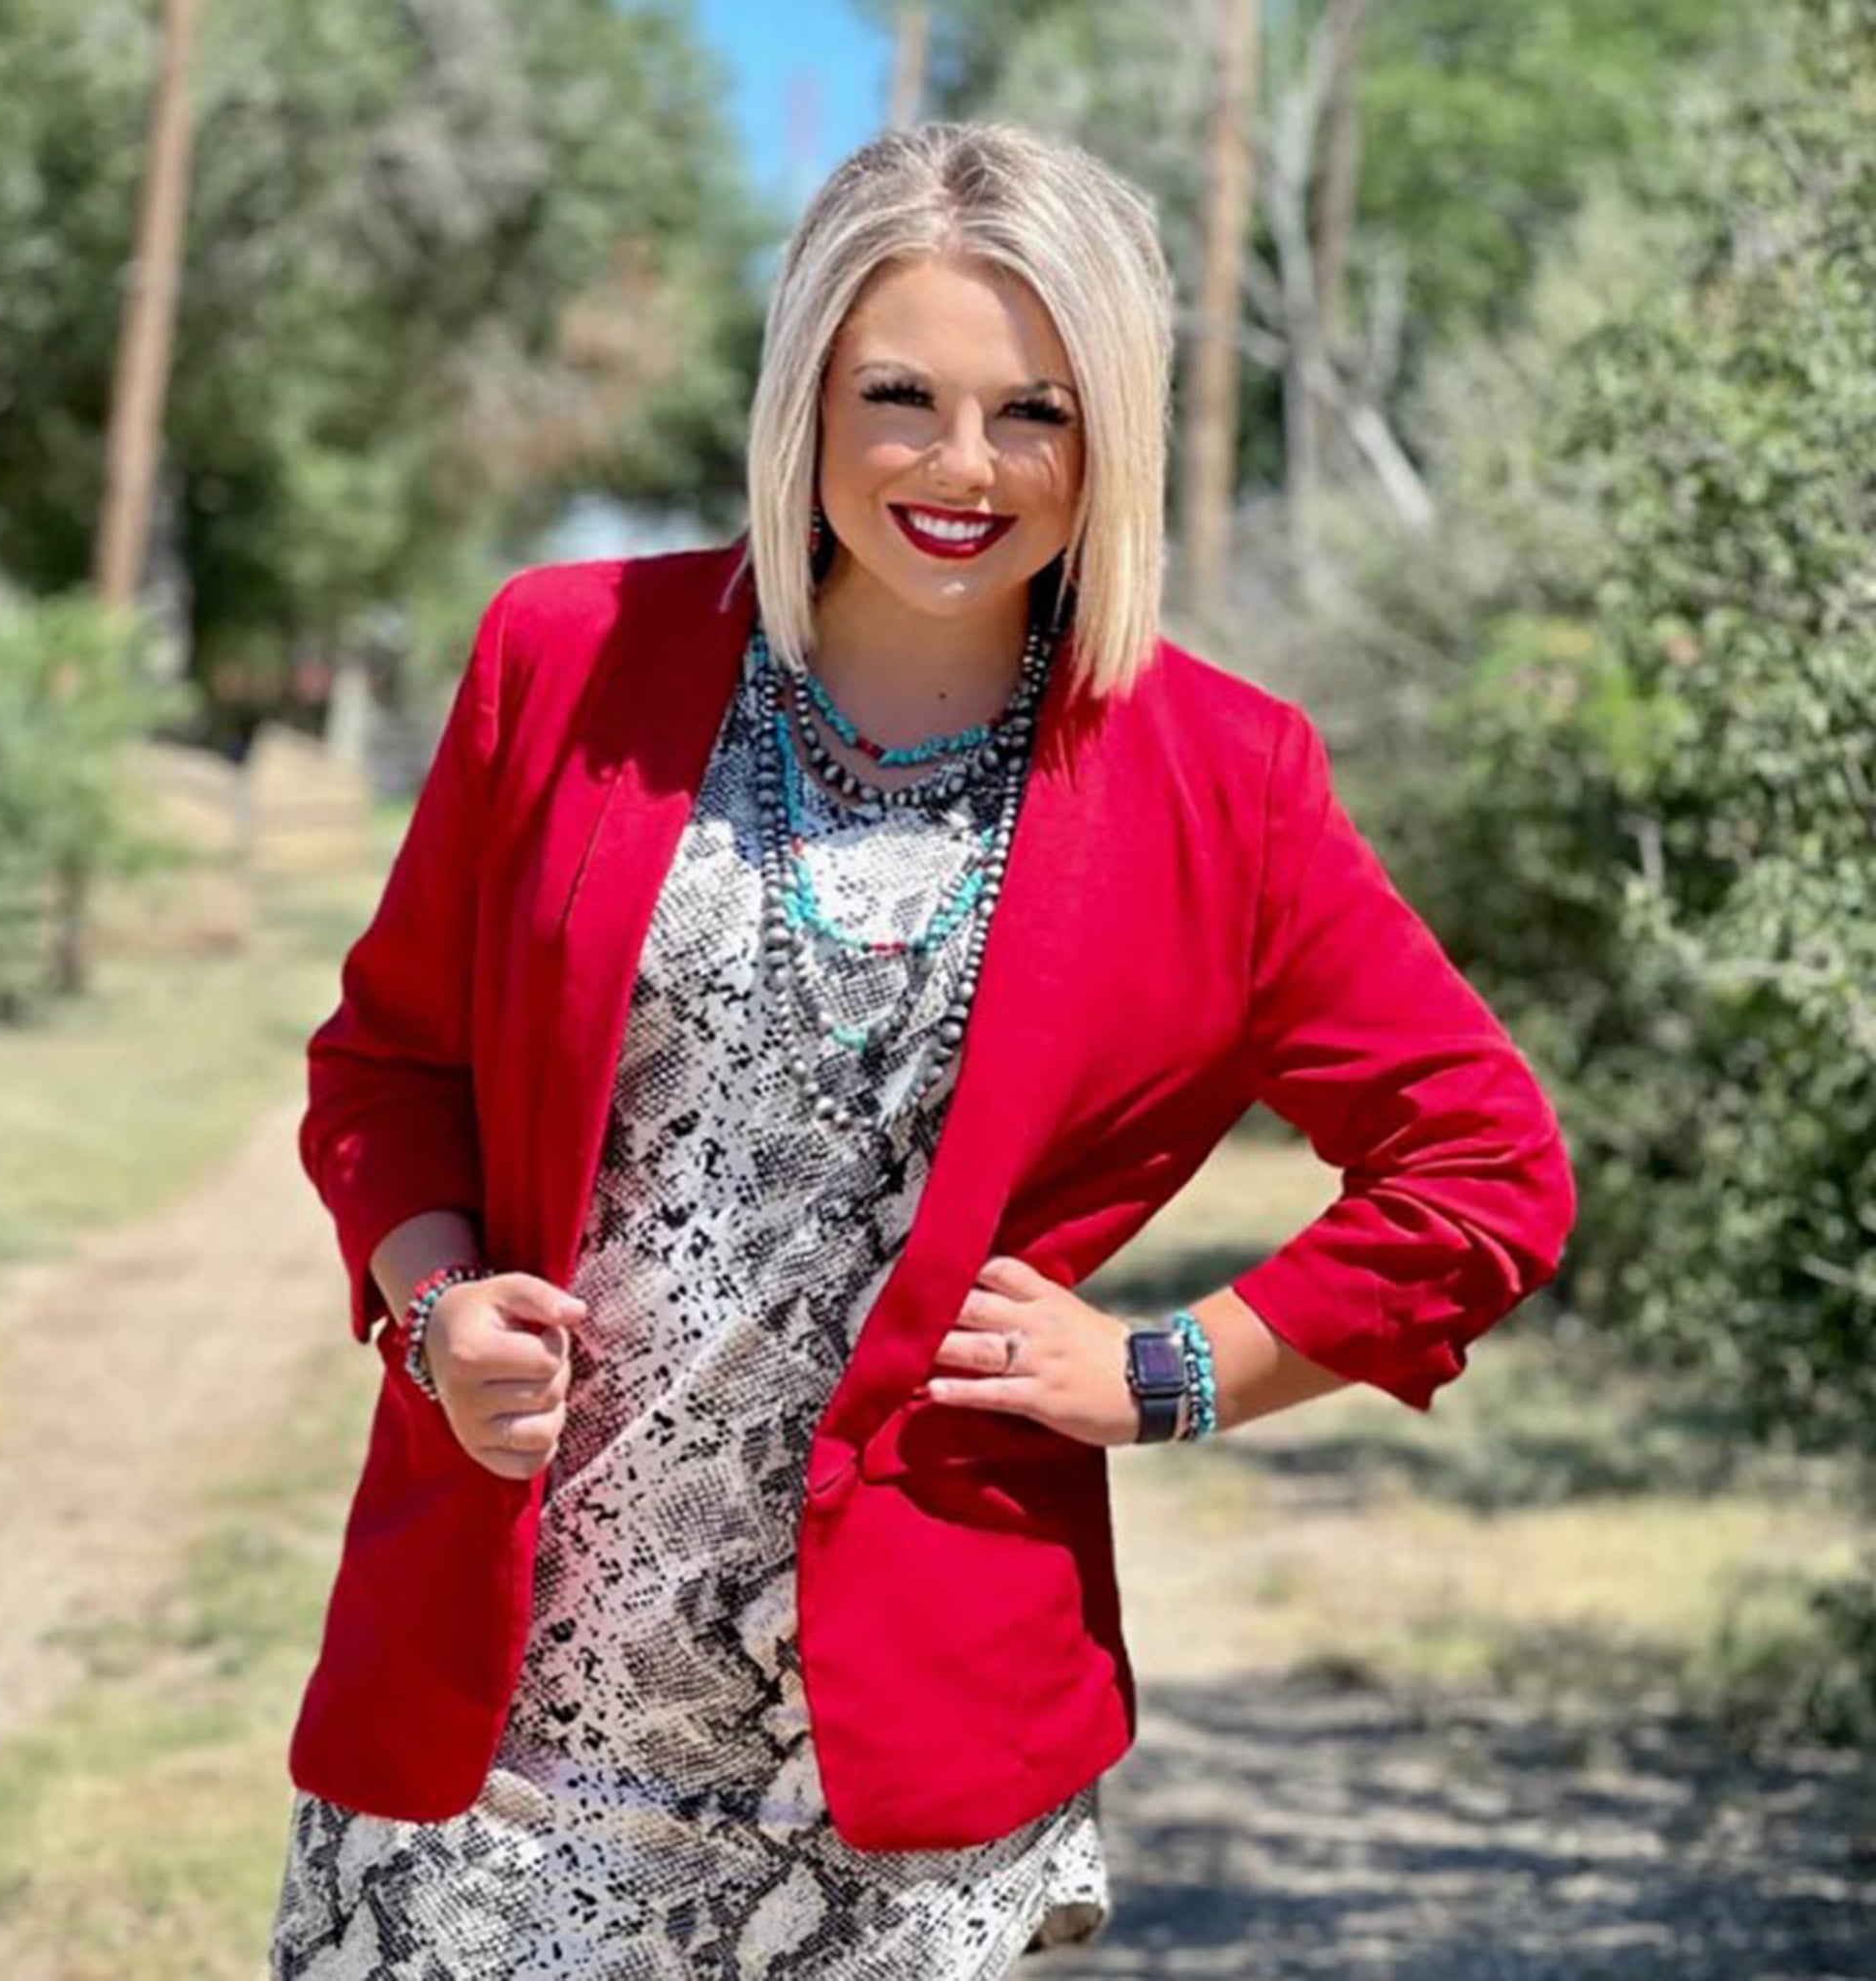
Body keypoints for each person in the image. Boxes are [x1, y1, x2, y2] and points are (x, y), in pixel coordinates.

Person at [267, 121, 1575, 1978]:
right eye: (902, 394)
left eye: (1033, 412)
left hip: (906, 1775)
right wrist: (433, 1305)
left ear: (1105, 433)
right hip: (501, 1745)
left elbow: (1485, 1170)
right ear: (806, 390)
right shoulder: (565, 658)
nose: (963, 469)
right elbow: (389, 1064)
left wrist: (1173, 1373)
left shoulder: (1223, 778)